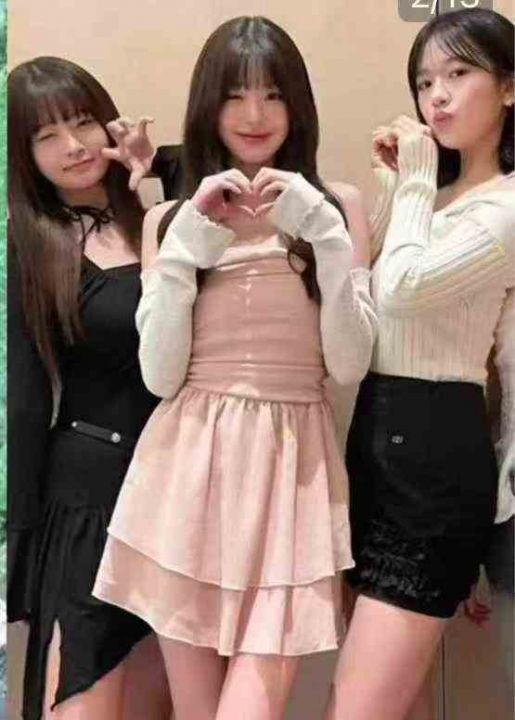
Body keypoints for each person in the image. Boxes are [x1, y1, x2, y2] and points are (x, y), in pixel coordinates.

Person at [93, 15, 377, 720]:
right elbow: (160, 376)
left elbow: (348, 365)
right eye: (236, 96)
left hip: (293, 468)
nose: (255, 115)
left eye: (273, 95)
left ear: (297, 106)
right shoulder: (168, 220)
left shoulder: (338, 205)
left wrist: (326, 236)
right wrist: (186, 242)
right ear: (208, 105)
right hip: (187, 468)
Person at [325, 8, 515, 719]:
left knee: (356, 708)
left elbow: (403, 290)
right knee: (371, 700)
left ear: (508, 88)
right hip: (375, 439)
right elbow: (366, 311)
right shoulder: (430, 198)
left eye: (458, 73)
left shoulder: (506, 206)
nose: (436, 96)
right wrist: (398, 188)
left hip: (436, 456)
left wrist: (410, 180)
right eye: (424, 81)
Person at [8, 56, 171, 719]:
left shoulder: (162, 207)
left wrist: (153, 173)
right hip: (88, 495)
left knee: (162, 701)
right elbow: (22, 400)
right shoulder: (30, 242)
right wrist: (17, 535)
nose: (73, 146)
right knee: (81, 695)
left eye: (81, 123)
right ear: (24, 154)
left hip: (177, 488)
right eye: (46, 136)